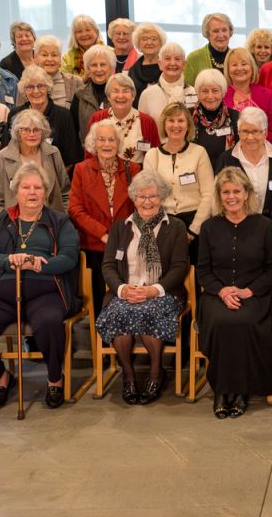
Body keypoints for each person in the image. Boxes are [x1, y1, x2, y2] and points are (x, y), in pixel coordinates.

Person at [0, 163, 81, 410]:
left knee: (49, 323)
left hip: (46, 292)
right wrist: (7, 260)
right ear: (16, 191)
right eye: (26, 187)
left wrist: (39, 265)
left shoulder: (60, 221)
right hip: (1, 296)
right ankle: (0, 377)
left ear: (46, 192)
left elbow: (69, 257)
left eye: (38, 187)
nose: (32, 192)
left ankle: (55, 379)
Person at [195, 167, 272, 418]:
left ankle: (242, 390)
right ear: (219, 196)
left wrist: (248, 291)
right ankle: (222, 391)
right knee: (223, 321)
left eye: (236, 191)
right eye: (225, 192)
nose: (231, 196)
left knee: (243, 321)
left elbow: (271, 269)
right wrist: (222, 291)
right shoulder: (209, 227)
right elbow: (203, 271)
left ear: (246, 194)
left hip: (253, 295)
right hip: (215, 296)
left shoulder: (264, 226)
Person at [98, 170, 190, 406]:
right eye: (141, 196)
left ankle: (156, 374)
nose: (147, 202)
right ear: (133, 199)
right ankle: (128, 376)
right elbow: (108, 265)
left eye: (153, 196)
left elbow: (180, 267)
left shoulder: (176, 227)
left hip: (162, 292)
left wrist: (153, 290)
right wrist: (122, 290)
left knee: (147, 311)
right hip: (126, 291)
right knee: (119, 312)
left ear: (162, 198)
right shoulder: (120, 228)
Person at [68, 118, 140, 320]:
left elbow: (141, 207)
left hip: (127, 243)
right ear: (93, 143)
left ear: (118, 143)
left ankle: (126, 336)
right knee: (100, 298)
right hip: (94, 245)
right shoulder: (82, 169)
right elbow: (75, 209)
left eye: (111, 140)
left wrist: (120, 236)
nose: (107, 145)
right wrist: (102, 234)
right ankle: (103, 341)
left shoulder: (132, 169)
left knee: (127, 297)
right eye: (102, 140)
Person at [215, 107, 272, 252]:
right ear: (238, 133)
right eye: (245, 131)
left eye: (255, 131)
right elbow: (218, 200)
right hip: (234, 236)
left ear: (265, 133)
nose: (250, 137)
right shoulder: (226, 160)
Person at [142, 103, 215, 240]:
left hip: (196, 224)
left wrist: (194, 230)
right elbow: (149, 197)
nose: (176, 125)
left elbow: (209, 194)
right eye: (171, 120)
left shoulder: (199, 152)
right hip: (163, 223)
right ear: (164, 124)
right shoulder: (152, 156)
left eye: (181, 121)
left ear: (188, 125)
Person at [0, 109, 70, 218]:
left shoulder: (54, 153)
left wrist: (62, 220)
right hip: (14, 227)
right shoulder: (1, 158)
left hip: (52, 225)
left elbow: (66, 193)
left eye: (36, 130)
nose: (31, 134)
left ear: (43, 132)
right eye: (25, 130)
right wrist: (8, 229)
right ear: (17, 132)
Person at [6, 66, 83, 167]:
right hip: (19, 176)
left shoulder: (64, 116)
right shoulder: (15, 115)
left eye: (41, 86)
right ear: (24, 91)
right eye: (30, 87)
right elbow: (7, 151)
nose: (36, 91)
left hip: (54, 178)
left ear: (48, 88)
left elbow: (71, 159)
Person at [86, 73, 160, 165]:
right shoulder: (97, 118)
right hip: (103, 176)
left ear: (133, 96)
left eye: (125, 91)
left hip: (136, 177)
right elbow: (90, 154)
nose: (120, 96)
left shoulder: (147, 122)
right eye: (115, 91)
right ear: (108, 97)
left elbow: (154, 158)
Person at [223, 47, 272, 147]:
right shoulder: (221, 96)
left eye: (244, 64)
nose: (239, 68)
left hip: (262, 151)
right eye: (234, 65)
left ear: (252, 67)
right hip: (231, 153)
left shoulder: (267, 94)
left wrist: (257, 147)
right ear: (228, 69)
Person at [138, 41, 197, 125]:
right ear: (160, 64)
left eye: (177, 59)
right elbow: (143, 127)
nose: (172, 63)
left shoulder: (193, 93)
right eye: (167, 58)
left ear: (184, 64)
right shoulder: (147, 94)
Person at [191, 68, 240, 165]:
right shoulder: (189, 118)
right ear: (198, 93)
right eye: (205, 91)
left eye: (215, 90)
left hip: (227, 175)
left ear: (223, 93)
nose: (210, 96)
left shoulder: (235, 118)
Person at [71, 44, 116, 143]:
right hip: (87, 153)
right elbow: (74, 131)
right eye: (94, 65)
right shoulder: (79, 94)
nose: (98, 69)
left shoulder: (120, 93)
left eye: (103, 64)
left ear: (111, 68)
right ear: (88, 69)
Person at [32, 35, 82, 109]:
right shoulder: (27, 84)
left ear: (60, 58)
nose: (50, 59)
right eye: (44, 55)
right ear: (35, 58)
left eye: (54, 55)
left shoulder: (76, 82)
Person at [184, 12, 234, 83]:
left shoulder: (237, 57)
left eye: (224, 30)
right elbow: (187, 89)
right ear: (207, 34)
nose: (221, 35)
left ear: (230, 32)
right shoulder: (193, 58)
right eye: (215, 31)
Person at [127, 22, 165, 100]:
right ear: (138, 44)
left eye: (154, 39)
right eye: (144, 39)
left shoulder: (167, 67)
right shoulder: (133, 71)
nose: (149, 42)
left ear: (161, 43)